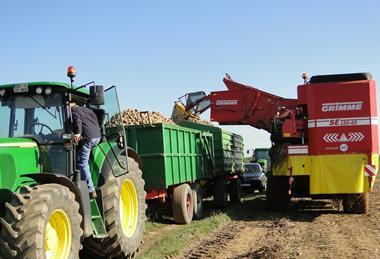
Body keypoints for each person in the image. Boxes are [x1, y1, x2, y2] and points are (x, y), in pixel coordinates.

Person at [71, 102, 101, 198]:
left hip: (88, 138)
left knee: (82, 163)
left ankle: (91, 190)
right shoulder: (88, 110)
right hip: (97, 136)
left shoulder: (74, 112)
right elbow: (96, 120)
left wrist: (78, 133)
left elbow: (77, 121)